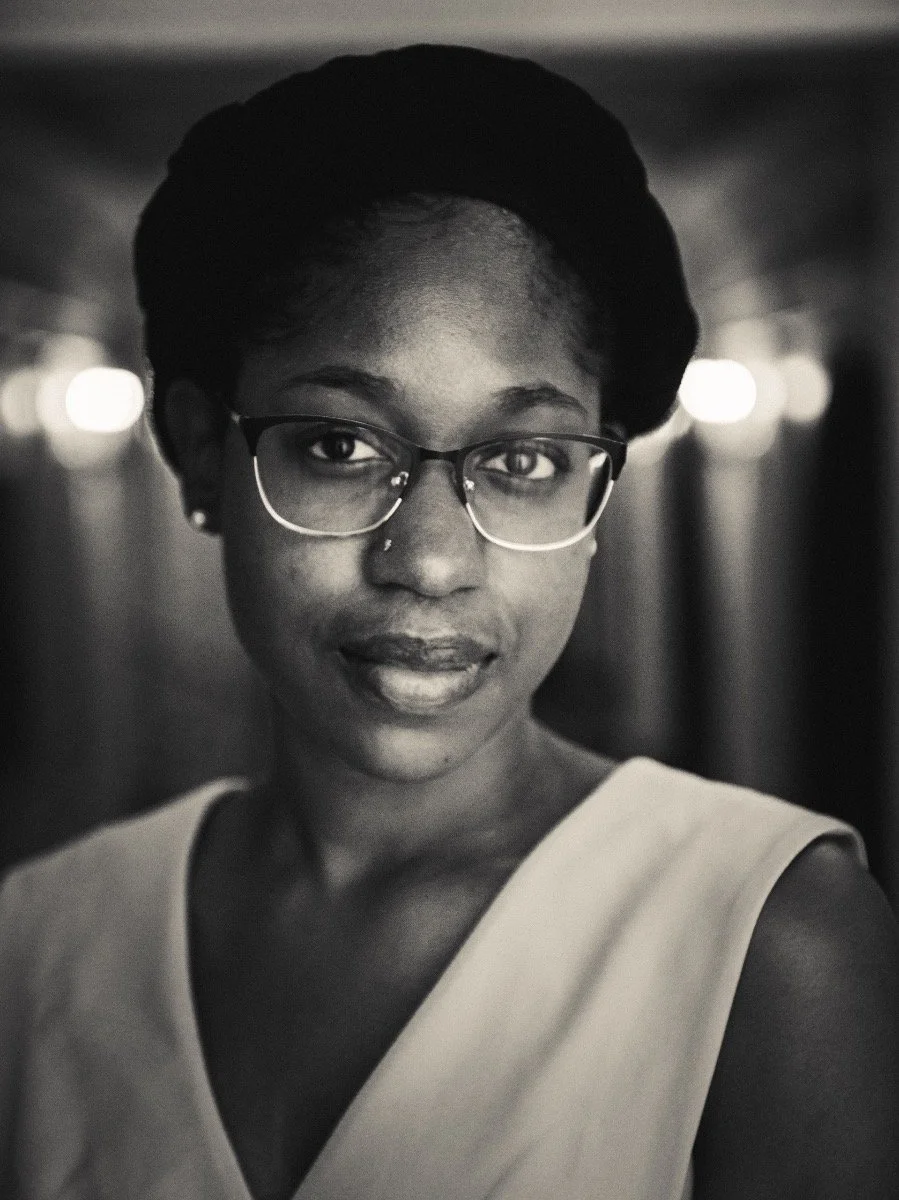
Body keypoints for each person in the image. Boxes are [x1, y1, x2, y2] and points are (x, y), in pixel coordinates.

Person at [1, 44, 897, 1200]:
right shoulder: (42, 942)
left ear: (595, 490)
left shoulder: (769, 942)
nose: (426, 560)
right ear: (196, 451)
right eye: (339, 445)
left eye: (521, 459)